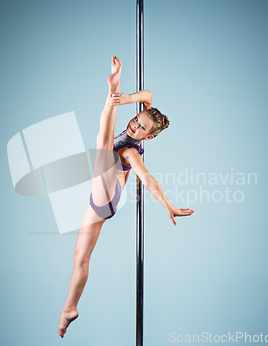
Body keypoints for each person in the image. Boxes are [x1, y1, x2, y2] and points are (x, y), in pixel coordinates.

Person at [58, 56, 194, 338]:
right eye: (135, 120)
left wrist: (169, 205)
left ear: (149, 137)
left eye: (141, 128)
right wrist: (130, 98)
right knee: (80, 258)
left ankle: (111, 91)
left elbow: (148, 179)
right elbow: (149, 96)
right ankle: (69, 309)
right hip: (100, 202)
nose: (134, 126)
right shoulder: (143, 120)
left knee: (103, 145)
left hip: (108, 193)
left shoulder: (132, 152)